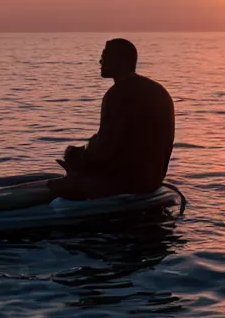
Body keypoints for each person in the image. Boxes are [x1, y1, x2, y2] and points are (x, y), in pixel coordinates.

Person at [46, 38, 175, 200]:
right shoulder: (157, 89)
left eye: (105, 56)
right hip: (153, 180)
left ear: (122, 61)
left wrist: (77, 157)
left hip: (129, 183)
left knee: (56, 182)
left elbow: (104, 151)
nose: (100, 61)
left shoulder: (118, 93)